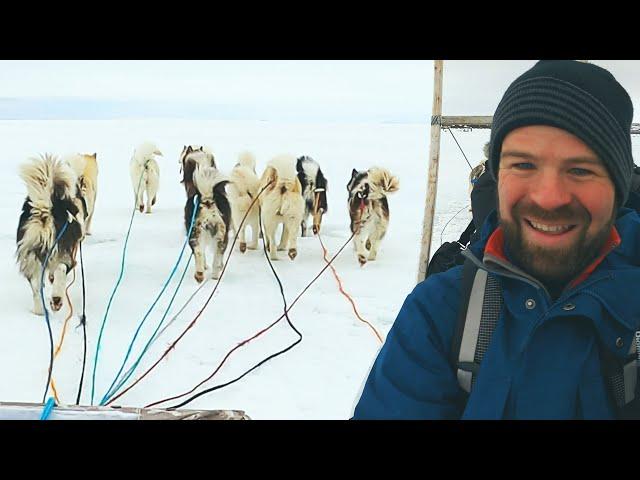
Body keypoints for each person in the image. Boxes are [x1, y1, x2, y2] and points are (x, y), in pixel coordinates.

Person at [352, 60, 640, 419]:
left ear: (618, 185)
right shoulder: (441, 312)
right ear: (496, 177)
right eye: (523, 165)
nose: (549, 197)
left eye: (580, 169)